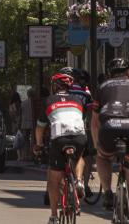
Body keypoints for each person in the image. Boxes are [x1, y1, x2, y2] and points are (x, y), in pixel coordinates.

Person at [89, 58, 129, 224]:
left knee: (103, 157)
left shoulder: (102, 87)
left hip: (109, 126)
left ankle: (108, 192)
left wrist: (97, 146)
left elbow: (94, 123)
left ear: (110, 74)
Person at [36, 73, 89, 223]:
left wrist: (39, 144)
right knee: (79, 157)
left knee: (54, 178)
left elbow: (40, 127)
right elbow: (81, 118)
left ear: (55, 86)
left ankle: (53, 215)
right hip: (79, 137)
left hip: (59, 138)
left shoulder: (49, 101)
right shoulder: (78, 100)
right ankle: (78, 180)